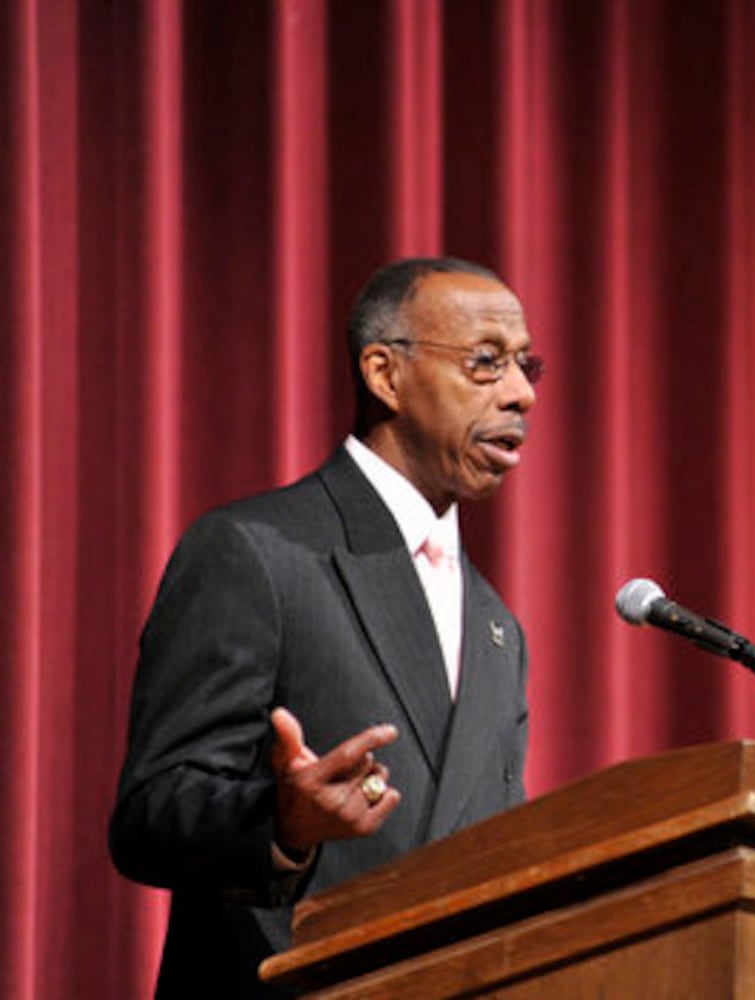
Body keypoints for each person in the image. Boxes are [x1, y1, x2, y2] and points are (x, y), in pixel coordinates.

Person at [109, 257, 540, 997]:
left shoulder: (497, 625)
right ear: (384, 373)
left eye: (526, 366)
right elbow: (150, 815)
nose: (522, 393)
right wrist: (282, 824)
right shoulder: (258, 551)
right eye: (486, 363)